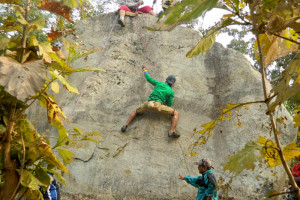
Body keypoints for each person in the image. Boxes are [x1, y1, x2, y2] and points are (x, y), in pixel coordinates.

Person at [121, 65, 180, 138]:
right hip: (158, 105)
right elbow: (169, 104)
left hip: (148, 103)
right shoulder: (171, 91)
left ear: (166, 80)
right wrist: (164, 102)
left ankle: (126, 125)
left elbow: (148, 79)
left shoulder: (159, 83)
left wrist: (144, 70)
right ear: (173, 84)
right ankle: (171, 132)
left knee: (135, 111)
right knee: (176, 113)